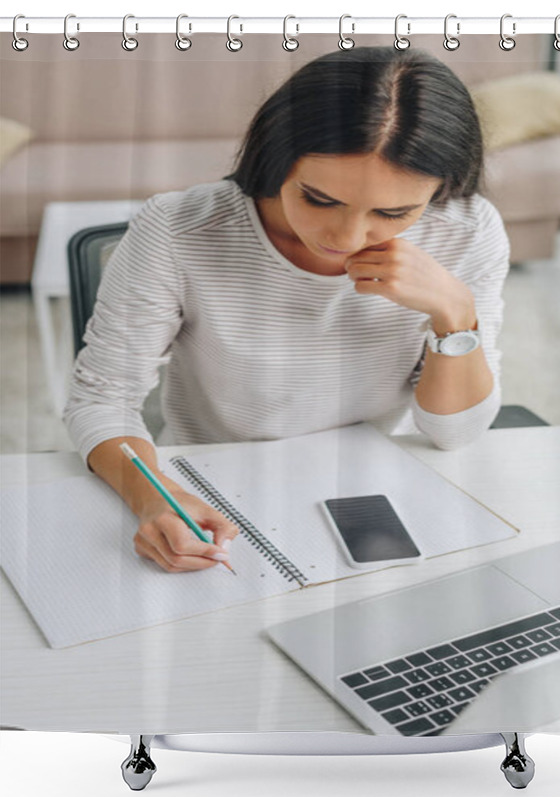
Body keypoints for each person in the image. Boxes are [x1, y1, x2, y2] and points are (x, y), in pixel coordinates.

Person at [63, 45, 511, 574]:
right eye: (320, 199)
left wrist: (455, 312)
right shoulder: (178, 229)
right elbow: (101, 400)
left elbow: (454, 434)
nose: (346, 237)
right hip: (212, 480)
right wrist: (155, 497)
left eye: (393, 213)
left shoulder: (467, 230)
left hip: (379, 479)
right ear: (276, 157)